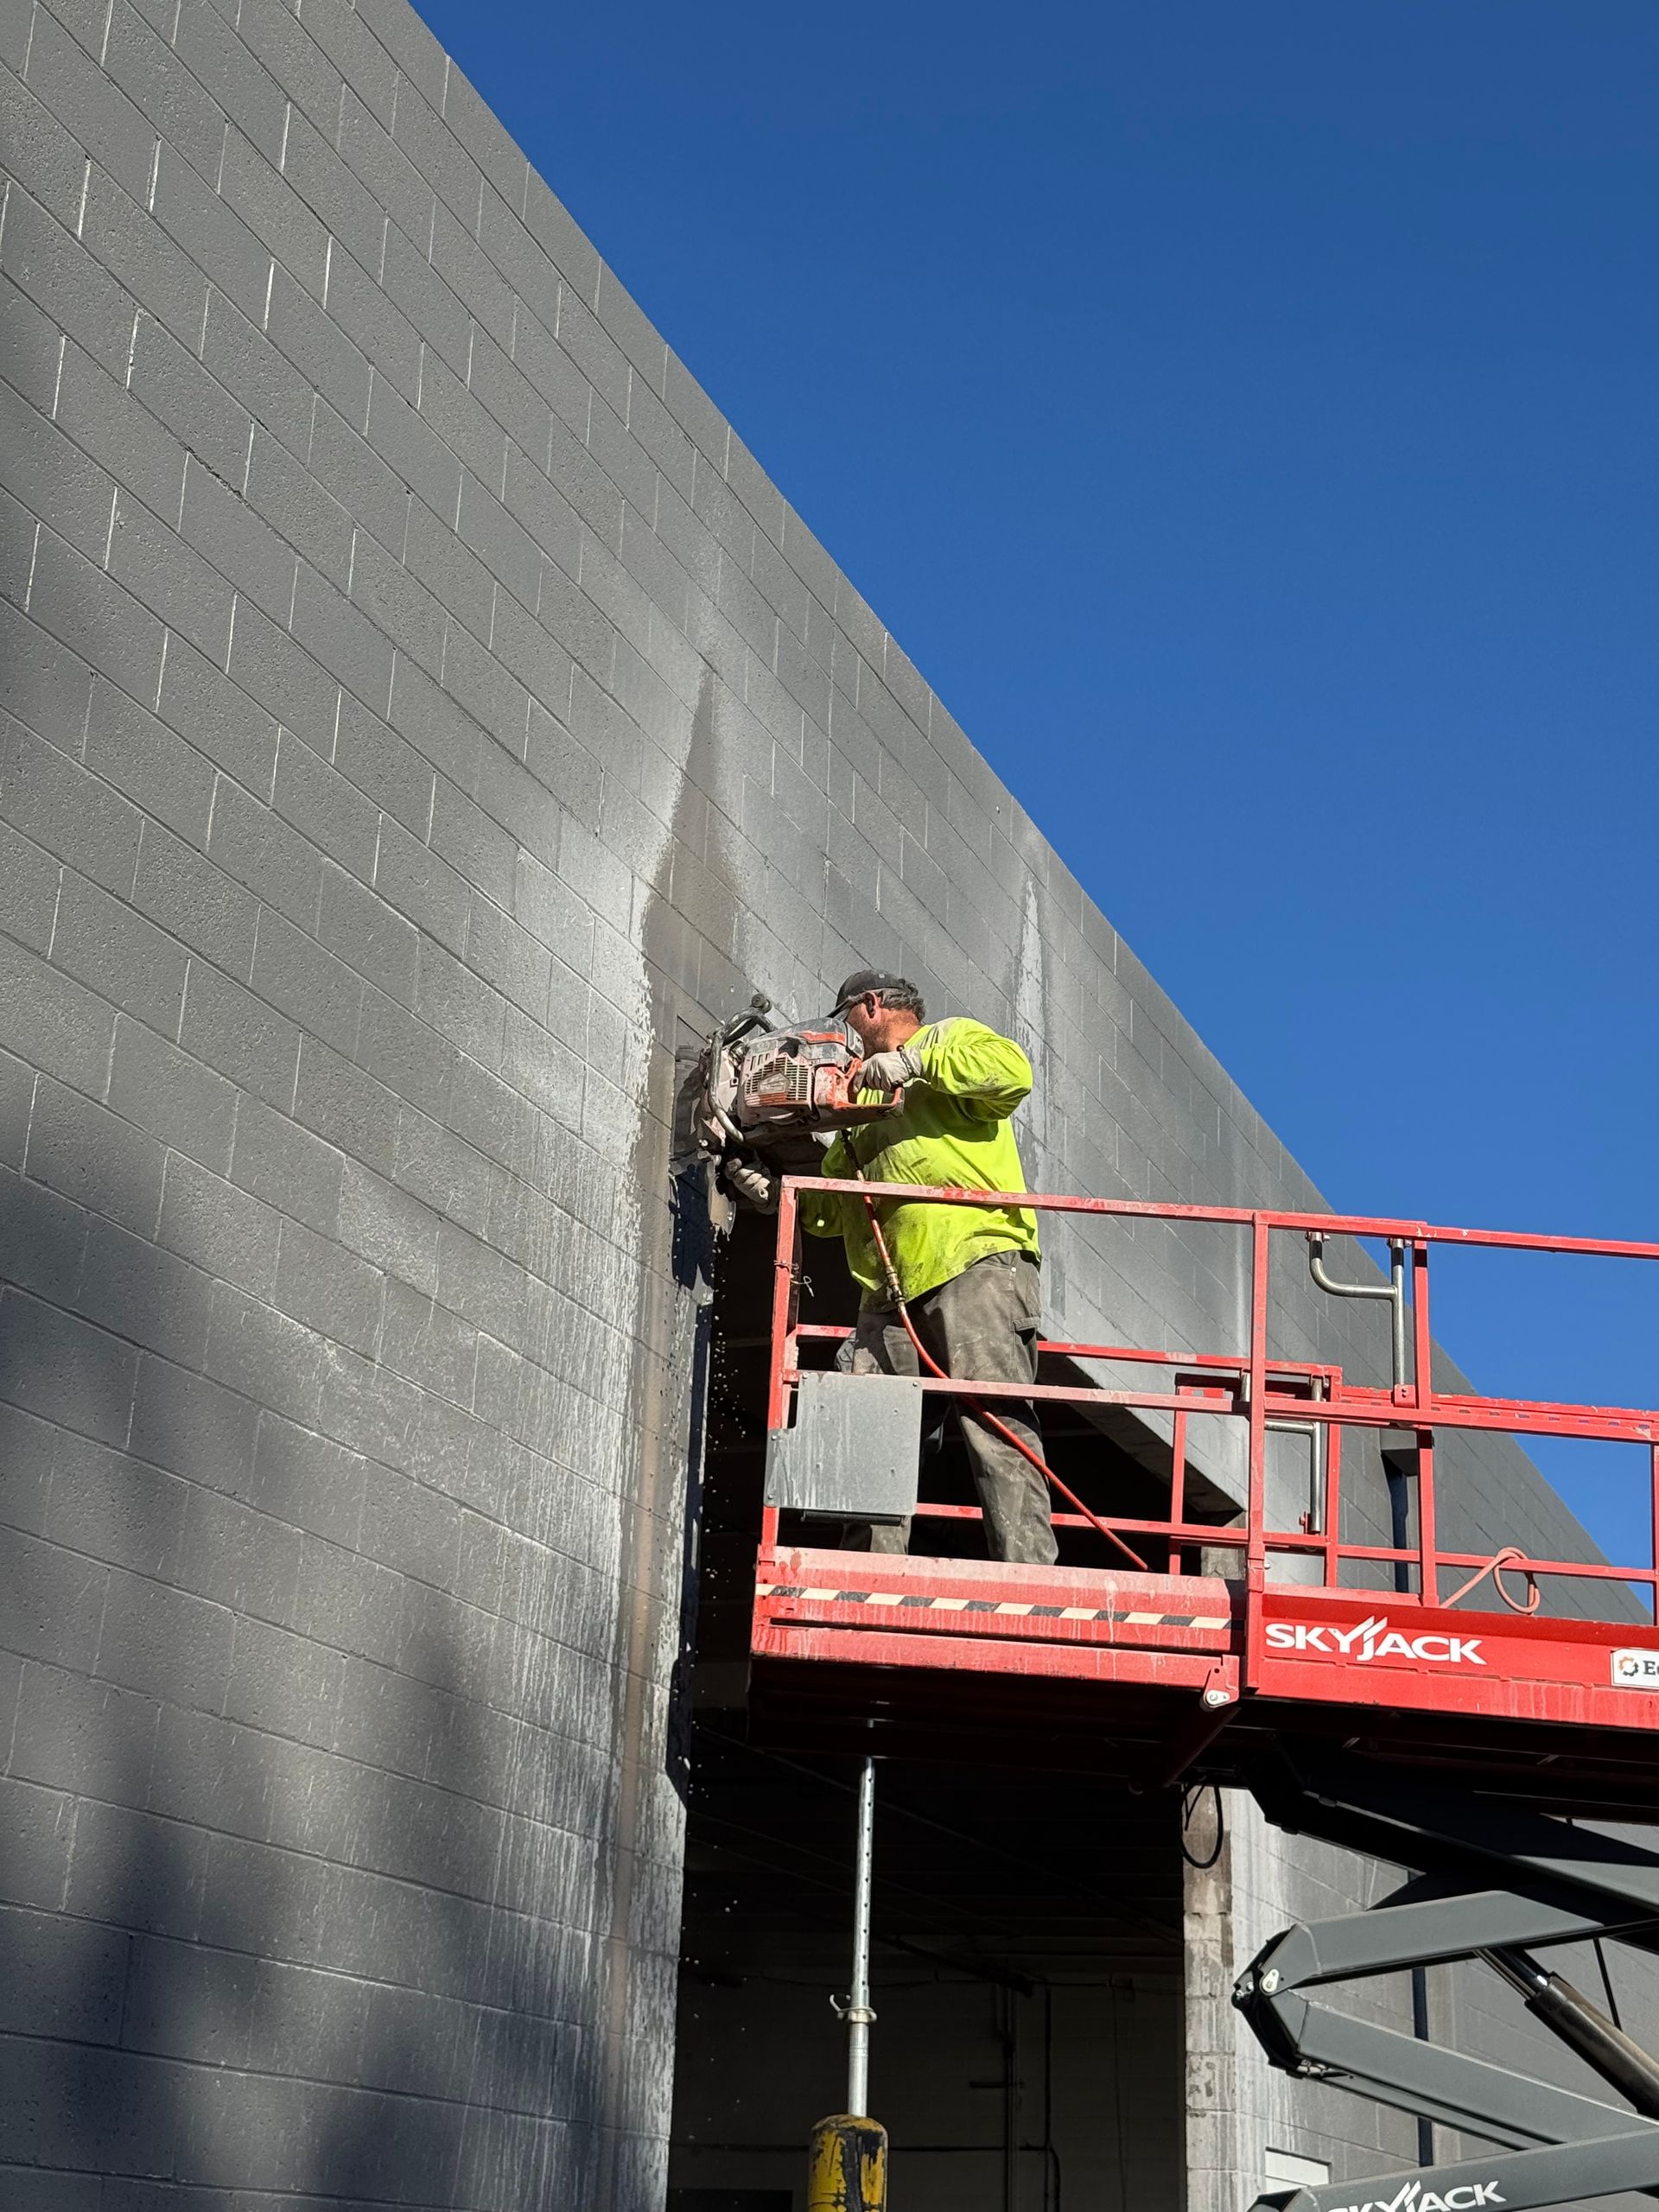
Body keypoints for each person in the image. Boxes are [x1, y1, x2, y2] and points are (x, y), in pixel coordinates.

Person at [731, 970, 1056, 1566]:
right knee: (872, 1436)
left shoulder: (949, 1039)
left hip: (975, 1262)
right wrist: (778, 1194)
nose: (843, 1039)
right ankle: (868, 1572)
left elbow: (1012, 1073)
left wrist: (913, 1061)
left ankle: (1029, 1573)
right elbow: (832, 1211)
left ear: (872, 1005)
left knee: (995, 1423)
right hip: (889, 1294)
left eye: (846, 1020)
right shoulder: (859, 1108)